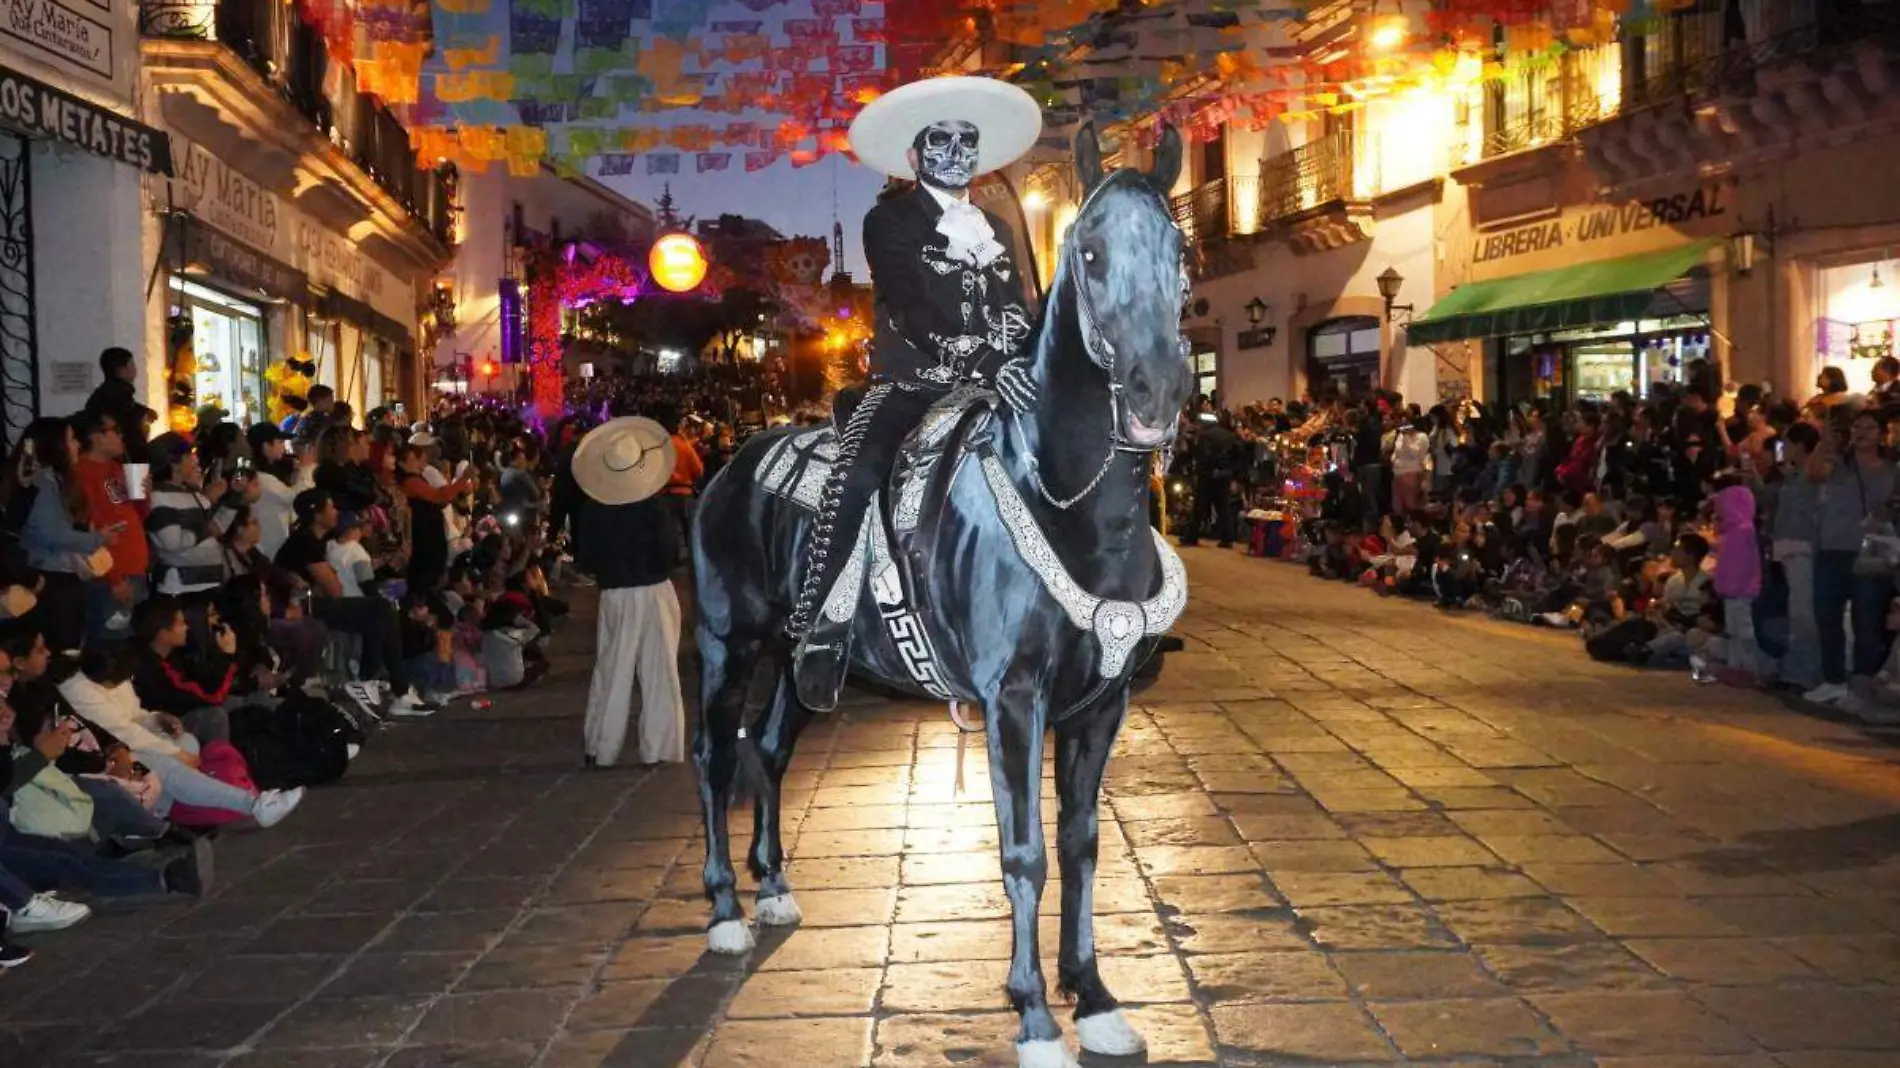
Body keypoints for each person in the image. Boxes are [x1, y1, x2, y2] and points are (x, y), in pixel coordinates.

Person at [786, 75, 1044, 712]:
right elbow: (905, 304)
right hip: (913, 386)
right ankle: (821, 627)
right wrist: (979, 356)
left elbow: (1018, 307)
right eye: (941, 141)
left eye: (967, 142)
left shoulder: (1000, 229)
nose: (956, 153)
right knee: (856, 475)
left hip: (998, 385)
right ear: (914, 156)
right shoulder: (890, 220)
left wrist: (1027, 349)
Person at [571, 417, 686, 767]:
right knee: (660, 670)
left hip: (616, 592)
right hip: (653, 590)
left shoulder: (593, 509)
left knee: (612, 668)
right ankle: (660, 746)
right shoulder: (654, 506)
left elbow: (585, 558)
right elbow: (669, 553)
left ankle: (601, 746)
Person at [67, 410, 148, 642]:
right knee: (111, 646)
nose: (121, 437)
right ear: (96, 437)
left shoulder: (115, 468)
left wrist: (144, 494)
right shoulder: (82, 473)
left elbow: (133, 514)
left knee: (131, 645)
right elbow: (89, 528)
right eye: (115, 431)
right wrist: (115, 578)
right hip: (110, 575)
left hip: (135, 569)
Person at [84, 347, 145, 463]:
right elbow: (130, 430)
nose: (135, 369)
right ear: (124, 368)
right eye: (132, 364)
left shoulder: (100, 395)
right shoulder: (121, 397)